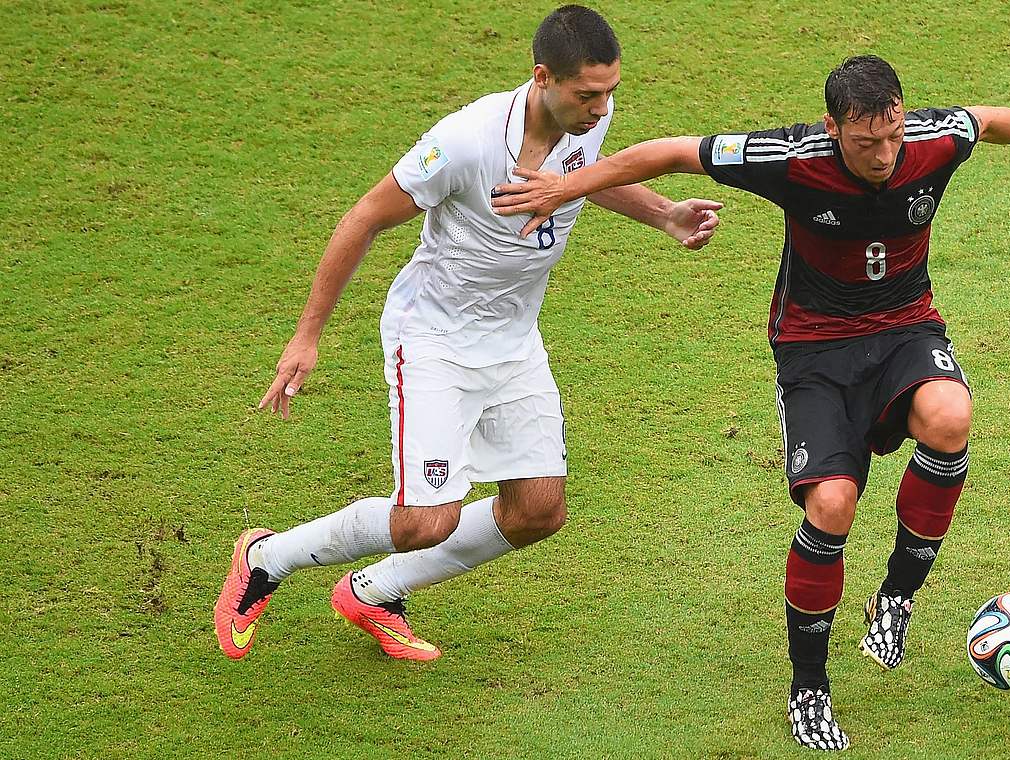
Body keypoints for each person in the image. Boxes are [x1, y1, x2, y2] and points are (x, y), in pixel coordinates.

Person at [489, 54, 1010, 750]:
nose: (883, 154)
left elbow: (989, 120)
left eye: (893, 135)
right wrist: (562, 190)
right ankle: (809, 685)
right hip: (814, 352)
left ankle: (897, 595)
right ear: (832, 128)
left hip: (904, 328)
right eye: (866, 142)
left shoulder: (933, 139)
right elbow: (667, 153)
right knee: (831, 504)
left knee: (951, 416)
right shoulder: (790, 156)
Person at [214, 4, 722, 663]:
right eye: (588, 94)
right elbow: (363, 217)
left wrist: (663, 214)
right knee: (426, 520)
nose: (601, 109)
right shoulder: (465, 142)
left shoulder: (588, 118)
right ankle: (266, 557)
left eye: (611, 92)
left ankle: (373, 592)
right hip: (434, 340)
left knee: (538, 510)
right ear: (542, 78)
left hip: (513, 340)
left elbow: (585, 177)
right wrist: (307, 337)